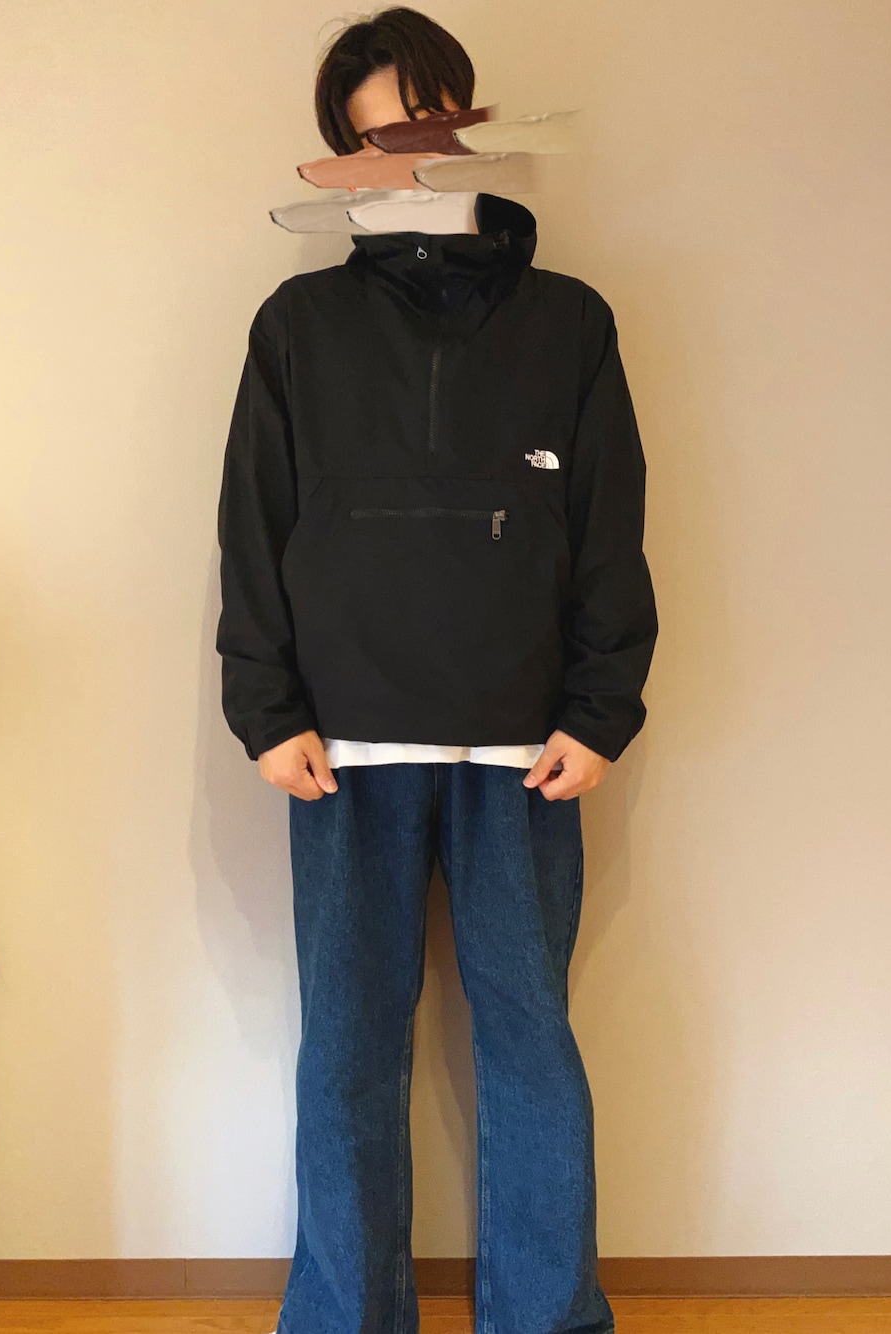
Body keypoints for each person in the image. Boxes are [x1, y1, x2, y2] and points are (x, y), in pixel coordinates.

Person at [215, 8, 658, 1333]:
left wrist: (602, 708)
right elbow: (253, 523)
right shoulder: (299, 325)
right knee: (349, 1050)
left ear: (470, 115)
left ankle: (548, 1316)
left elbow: (611, 526)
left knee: (530, 1042)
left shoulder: (569, 321)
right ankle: (345, 1317)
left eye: (422, 124)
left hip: (524, 747)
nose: (403, 159)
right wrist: (264, 709)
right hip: (342, 747)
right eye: (371, 140)